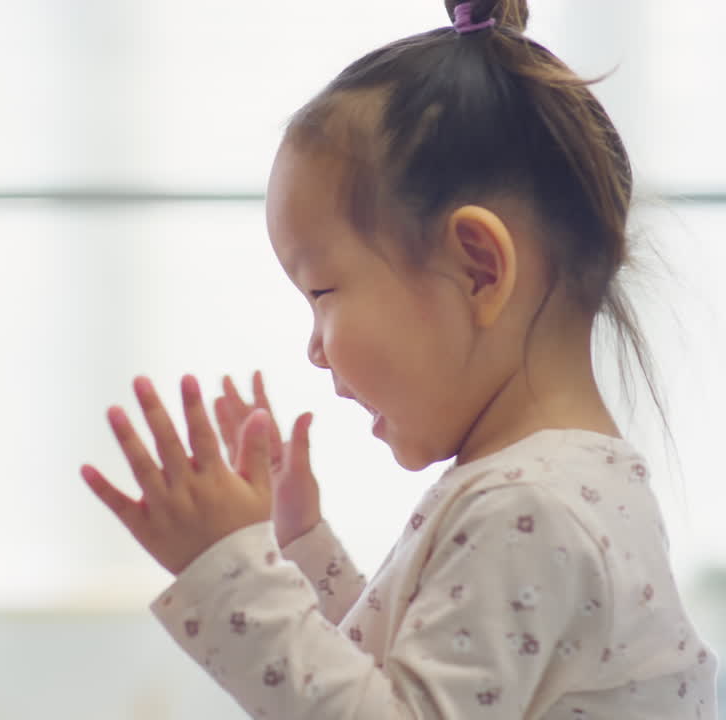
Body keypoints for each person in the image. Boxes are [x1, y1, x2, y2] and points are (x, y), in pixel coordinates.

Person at [83, 1, 718, 717]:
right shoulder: (565, 486)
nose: (314, 348)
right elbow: (423, 678)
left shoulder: (527, 507)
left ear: (478, 269)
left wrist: (228, 571)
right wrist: (300, 546)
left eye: (322, 290)